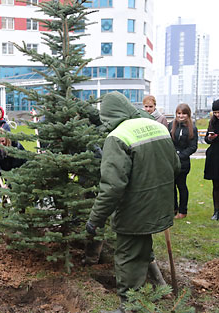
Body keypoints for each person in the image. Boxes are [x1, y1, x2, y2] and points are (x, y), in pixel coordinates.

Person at [85, 91, 180, 313]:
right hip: (161, 204)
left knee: (127, 255)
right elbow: (176, 166)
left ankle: (130, 307)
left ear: (109, 116)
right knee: (142, 245)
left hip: (135, 210)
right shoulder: (158, 126)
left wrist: (95, 220)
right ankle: (155, 288)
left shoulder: (117, 137)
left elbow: (112, 186)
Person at [168, 103, 198, 219]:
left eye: (184, 113)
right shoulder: (171, 125)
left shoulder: (192, 128)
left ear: (188, 115)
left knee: (181, 186)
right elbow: (168, 141)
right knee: (172, 186)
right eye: (179, 113)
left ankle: (183, 211)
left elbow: (192, 147)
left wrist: (181, 155)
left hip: (183, 162)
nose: (181, 116)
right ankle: (173, 208)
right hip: (172, 161)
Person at [204, 99, 219, 220]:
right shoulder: (212, 122)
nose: (217, 115)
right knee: (216, 185)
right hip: (214, 157)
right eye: (215, 112)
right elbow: (206, 140)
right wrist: (210, 137)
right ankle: (216, 210)